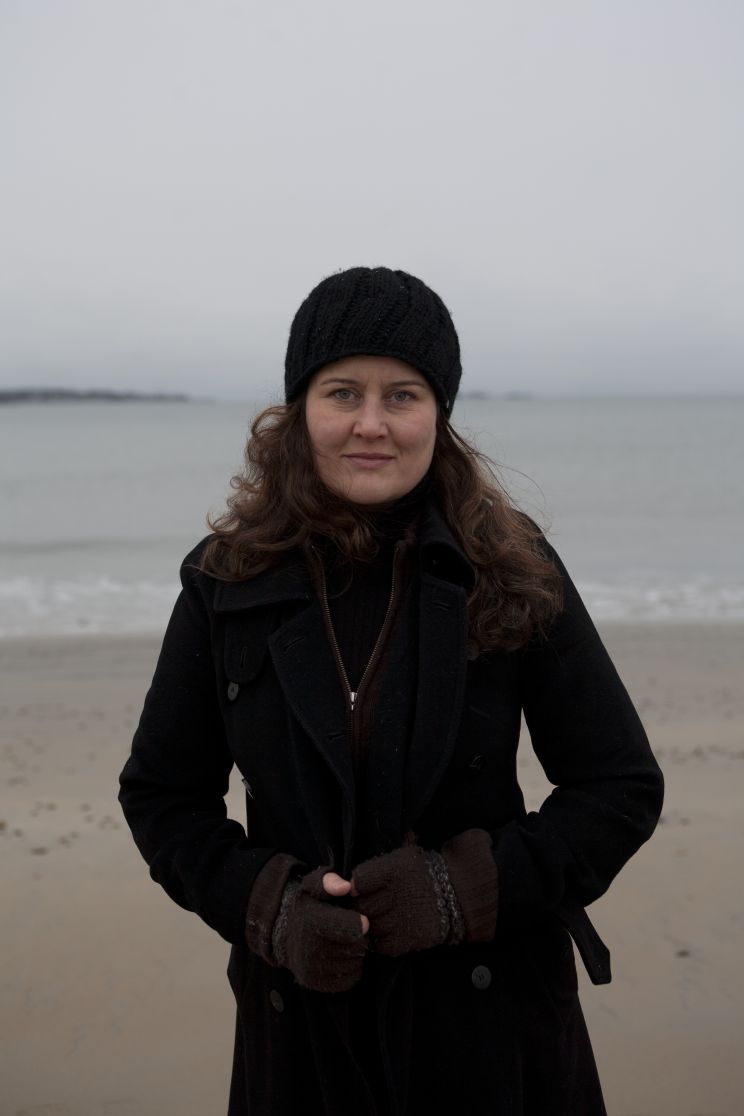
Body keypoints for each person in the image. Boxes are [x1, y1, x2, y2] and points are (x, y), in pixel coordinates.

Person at [119, 266, 664, 1116]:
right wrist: (271, 909)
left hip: (491, 1033)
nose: (371, 424)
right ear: (300, 409)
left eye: (402, 395)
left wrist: (460, 893)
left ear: (438, 415)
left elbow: (618, 788)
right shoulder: (226, 579)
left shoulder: (509, 565)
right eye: (343, 392)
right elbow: (162, 796)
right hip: (299, 1030)